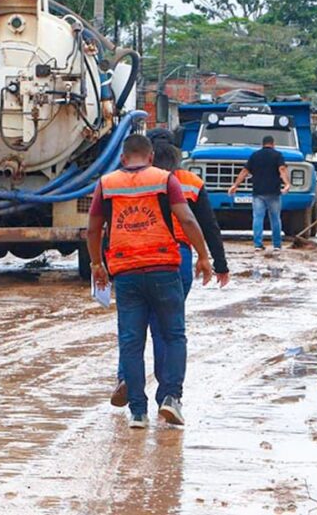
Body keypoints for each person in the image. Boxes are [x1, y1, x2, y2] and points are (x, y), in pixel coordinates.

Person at [87, 134, 214, 429]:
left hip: (126, 271)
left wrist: (96, 264)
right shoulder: (165, 179)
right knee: (173, 335)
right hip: (164, 268)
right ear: (151, 157)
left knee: (131, 341)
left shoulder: (106, 184)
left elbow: (93, 229)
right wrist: (203, 256)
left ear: (122, 158)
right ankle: (170, 398)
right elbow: (187, 220)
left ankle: (138, 412)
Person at [109, 130, 230, 410]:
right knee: (167, 329)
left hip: (133, 257)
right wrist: (217, 262)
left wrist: (102, 265)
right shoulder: (190, 182)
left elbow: (108, 225)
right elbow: (207, 225)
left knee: (133, 329)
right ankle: (168, 395)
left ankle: (126, 379)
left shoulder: (124, 182)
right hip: (177, 259)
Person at [228, 135, 289, 251]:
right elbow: (282, 169)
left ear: (263, 144)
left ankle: (257, 244)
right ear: (273, 143)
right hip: (274, 193)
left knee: (258, 218)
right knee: (275, 218)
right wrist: (287, 184)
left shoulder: (255, 155)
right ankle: (277, 245)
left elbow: (245, 171)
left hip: (258, 193)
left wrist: (235, 185)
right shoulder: (277, 155)